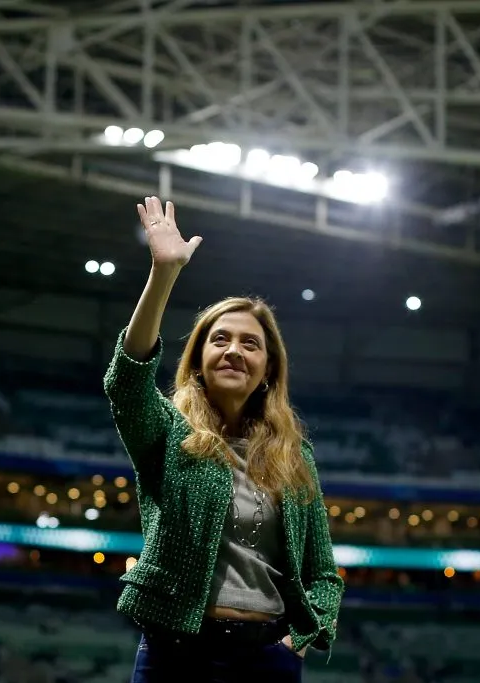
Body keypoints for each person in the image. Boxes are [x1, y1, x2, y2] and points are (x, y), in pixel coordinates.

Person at [104, 196, 344, 683]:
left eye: (250, 343)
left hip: (267, 659)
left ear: (267, 370)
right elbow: (125, 382)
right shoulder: (168, 432)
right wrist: (164, 273)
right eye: (220, 339)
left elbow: (322, 572)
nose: (234, 351)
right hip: (175, 654)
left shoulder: (295, 456)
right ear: (198, 359)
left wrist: (298, 640)